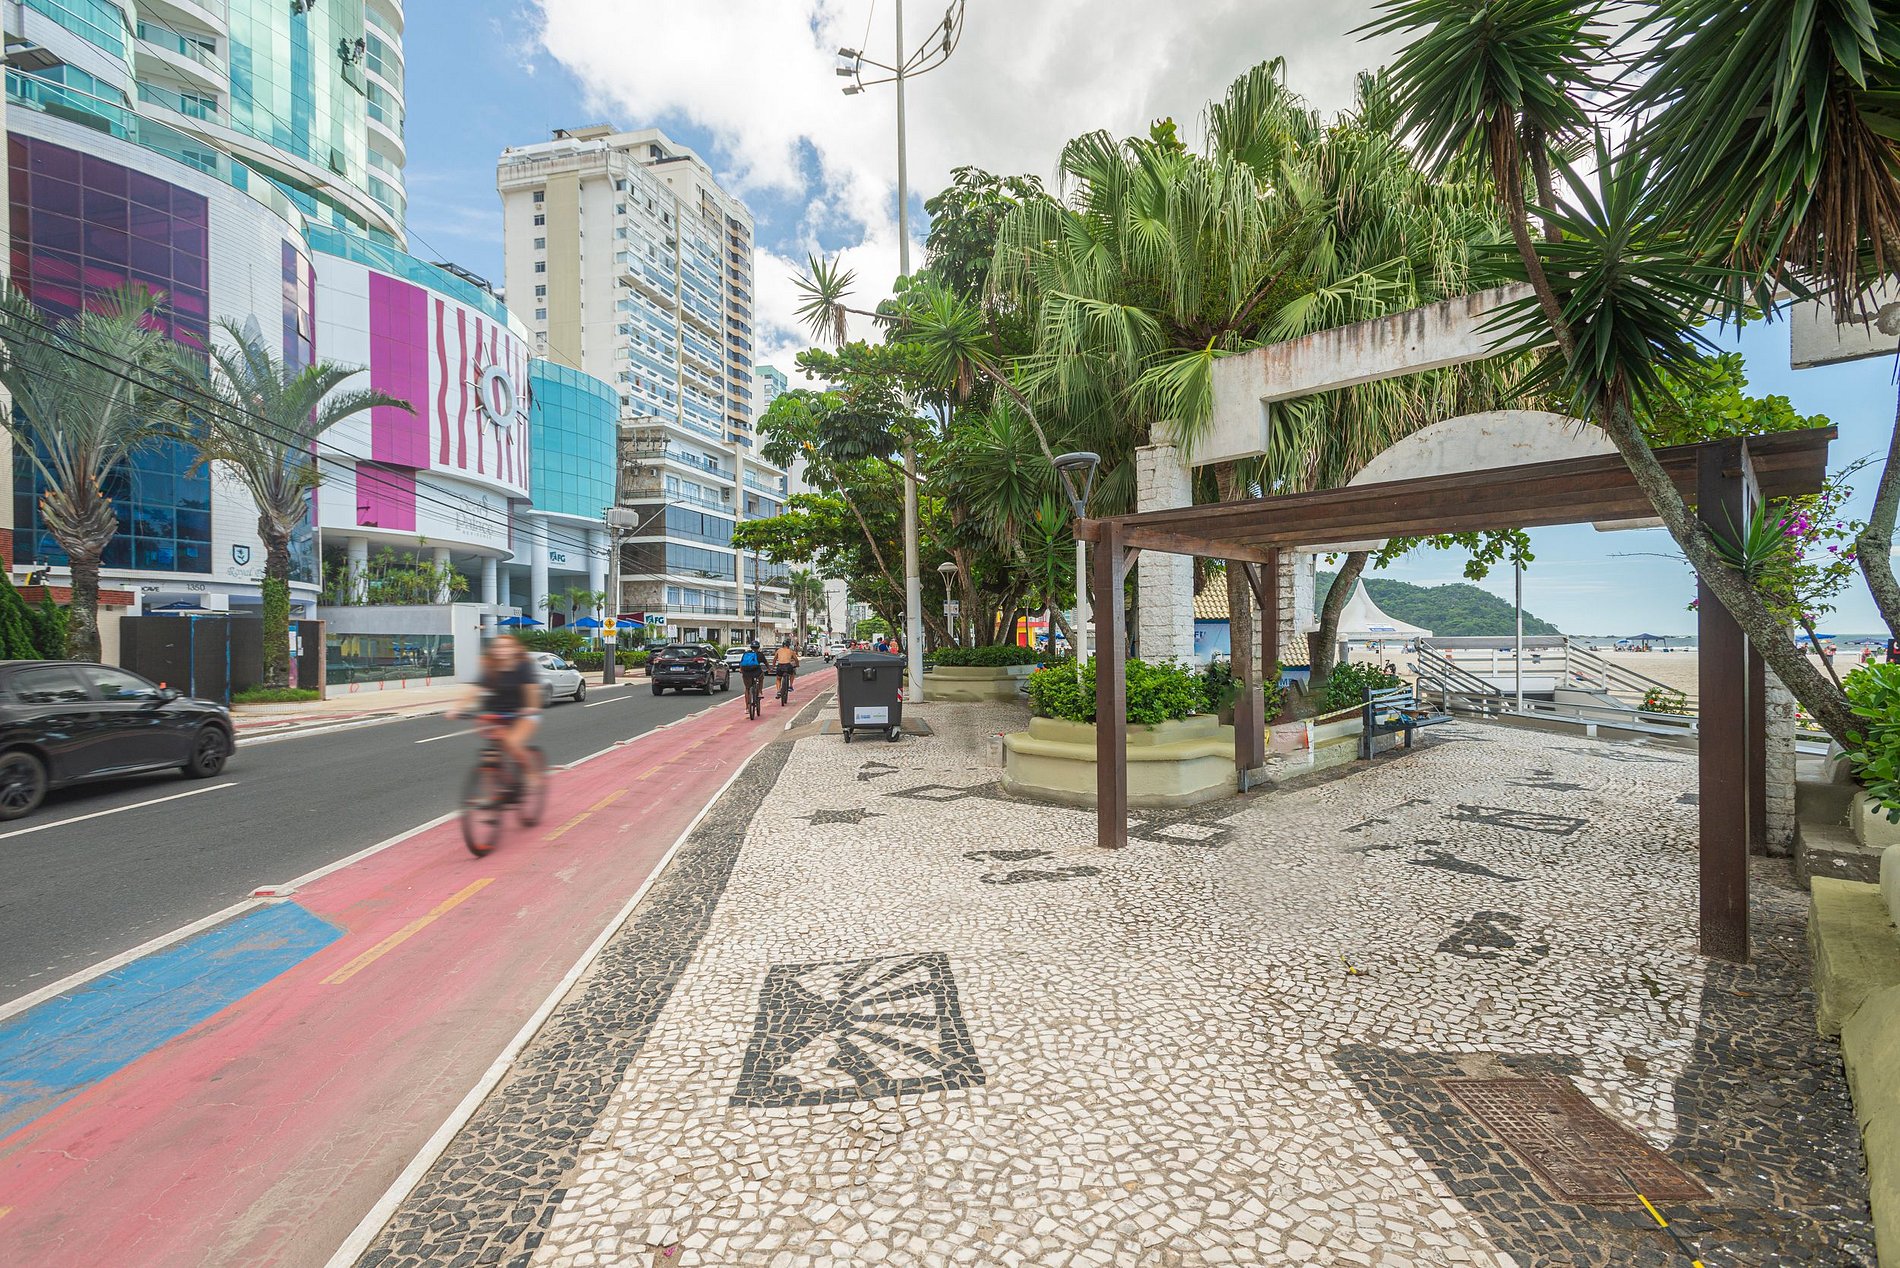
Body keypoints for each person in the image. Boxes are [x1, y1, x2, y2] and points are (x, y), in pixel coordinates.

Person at [456, 636, 541, 798]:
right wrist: (457, 708)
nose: (502, 650)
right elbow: (475, 689)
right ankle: (494, 791)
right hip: (496, 714)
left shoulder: (523, 667)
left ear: (515, 649)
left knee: (512, 743)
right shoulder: (490, 668)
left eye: (507, 647)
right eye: (498, 647)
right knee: (491, 754)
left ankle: (531, 774)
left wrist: (531, 707)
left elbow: (531, 690)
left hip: (522, 714)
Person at [738, 638, 765, 714]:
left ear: (751, 647)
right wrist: (769, 669)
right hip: (756, 672)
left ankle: (747, 708)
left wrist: (740, 670)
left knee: (747, 688)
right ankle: (759, 692)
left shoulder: (746, 654)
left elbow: (741, 663)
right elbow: (765, 663)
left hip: (746, 672)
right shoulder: (760, 654)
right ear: (758, 647)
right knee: (761, 676)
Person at [773, 636, 798, 704]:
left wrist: (774, 666)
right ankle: (790, 686)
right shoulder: (791, 651)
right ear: (789, 645)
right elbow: (796, 659)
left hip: (780, 666)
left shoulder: (779, 650)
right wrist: (797, 665)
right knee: (792, 673)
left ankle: (778, 691)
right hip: (788, 666)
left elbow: (774, 659)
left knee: (778, 678)